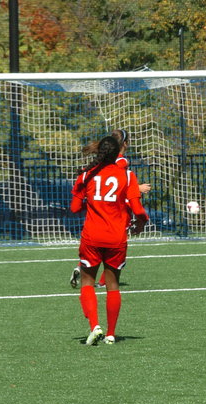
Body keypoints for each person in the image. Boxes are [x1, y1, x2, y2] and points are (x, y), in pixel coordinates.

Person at [70, 136, 149, 345]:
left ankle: (95, 326)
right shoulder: (128, 176)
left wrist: (92, 204)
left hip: (92, 236)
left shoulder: (87, 174)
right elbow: (138, 209)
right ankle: (111, 334)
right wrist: (142, 222)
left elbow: (74, 208)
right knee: (113, 285)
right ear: (118, 153)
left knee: (87, 282)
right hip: (116, 238)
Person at [69, 129, 151, 288]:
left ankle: (84, 268)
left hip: (105, 208)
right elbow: (116, 182)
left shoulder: (104, 162)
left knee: (99, 246)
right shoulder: (121, 162)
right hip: (117, 208)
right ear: (125, 144)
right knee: (113, 247)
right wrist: (137, 188)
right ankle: (101, 281)